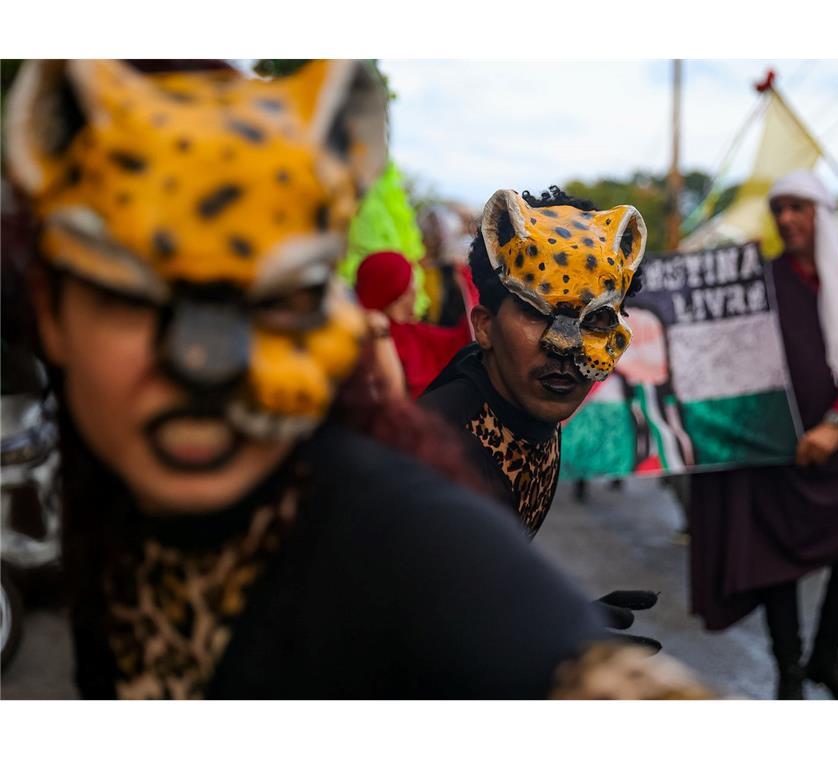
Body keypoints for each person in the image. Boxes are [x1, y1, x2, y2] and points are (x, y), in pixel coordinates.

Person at [5, 59, 709, 699]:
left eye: (277, 297)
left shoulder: (365, 482)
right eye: (134, 295)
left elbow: (432, 541)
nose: (206, 362)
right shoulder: (101, 486)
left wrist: (557, 651)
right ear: (51, 315)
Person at [687, 169, 838, 699]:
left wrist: (836, 421)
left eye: (798, 207)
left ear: (820, 215)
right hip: (775, 447)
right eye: (779, 208)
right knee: (774, 557)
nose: (786, 218)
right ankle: (788, 668)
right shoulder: (759, 278)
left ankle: (826, 653)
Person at [420, 185, 647, 537]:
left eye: (594, 319)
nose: (564, 345)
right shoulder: (439, 453)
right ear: (484, 325)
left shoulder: (524, 412)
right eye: (534, 311)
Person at [354, 250, 472, 399]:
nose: (415, 288)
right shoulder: (380, 341)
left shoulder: (410, 331)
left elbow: (458, 340)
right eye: (410, 283)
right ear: (398, 294)